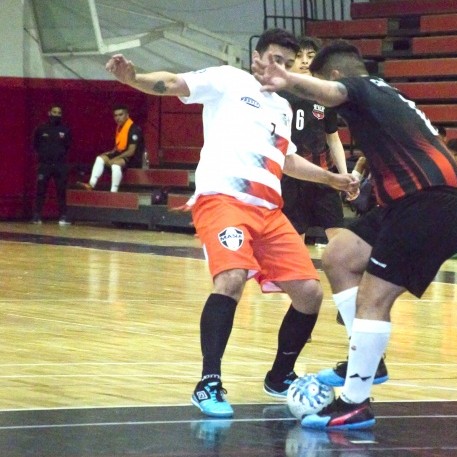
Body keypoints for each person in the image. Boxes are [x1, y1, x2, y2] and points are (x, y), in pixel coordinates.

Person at [104, 29, 358, 419]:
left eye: (287, 65)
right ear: (255, 57)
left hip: (269, 211)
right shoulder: (227, 79)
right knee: (232, 278)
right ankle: (208, 382)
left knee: (309, 294)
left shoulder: (284, 108)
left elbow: (287, 159)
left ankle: (279, 376)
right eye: (274, 60)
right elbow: (173, 83)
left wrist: (332, 179)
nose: (281, 69)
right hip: (223, 200)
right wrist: (133, 80)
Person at [253, 39, 457, 430]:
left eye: (320, 80)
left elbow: (333, 91)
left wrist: (286, 78)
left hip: (430, 204)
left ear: (335, 75)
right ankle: (372, 361)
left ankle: (356, 401)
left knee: (374, 298)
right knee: (338, 256)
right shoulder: (389, 94)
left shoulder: (360, 87)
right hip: (407, 204)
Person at [281, 36, 350, 244]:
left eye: (310, 56)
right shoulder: (278, 96)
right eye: (298, 56)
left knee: (339, 237)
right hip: (292, 176)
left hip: (323, 175)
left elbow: (333, 138)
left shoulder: (324, 96)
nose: (304, 61)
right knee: (295, 241)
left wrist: (344, 174)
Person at [78, 105, 144, 192]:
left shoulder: (134, 129)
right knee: (100, 158)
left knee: (115, 165)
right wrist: (109, 154)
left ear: (127, 115)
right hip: (121, 154)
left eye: (121, 115)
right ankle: (91, 184)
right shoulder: (119, 127)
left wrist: (114, 158)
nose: (118, 118)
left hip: (133, 158)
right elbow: (118, 147)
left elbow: (131, 151)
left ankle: (113, 191)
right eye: (116, 115)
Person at [32, 104, 71, 225]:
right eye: (54, 112)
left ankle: (63, 216)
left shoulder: (65, 130)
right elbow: (35, 145)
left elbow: (67, 146)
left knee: (61, 190)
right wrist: (43, 156)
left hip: (60, 165)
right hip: (45, 165)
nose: (57, 115)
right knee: (41, 190)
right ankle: (37, 215)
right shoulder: (41, 129)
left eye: (59, 113)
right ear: (49, 113)